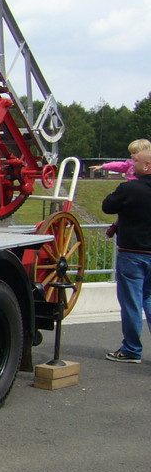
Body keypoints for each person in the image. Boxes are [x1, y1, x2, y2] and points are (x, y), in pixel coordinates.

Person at [101, 148, 151, 363]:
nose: (132, 164)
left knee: (131, 302)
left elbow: (107, 206)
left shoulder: (130, 188)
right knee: (149, 299)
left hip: (132, 253)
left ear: (146, 165)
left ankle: (131, 349)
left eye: (135, 160)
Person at [92, 139, 151, 238]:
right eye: (131, 154)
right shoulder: (130, 165)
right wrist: (104, 166)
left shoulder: (135, 181)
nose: (132, 157)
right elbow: (119, 165)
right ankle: (116, 224)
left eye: (134, 153)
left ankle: (116, 225)